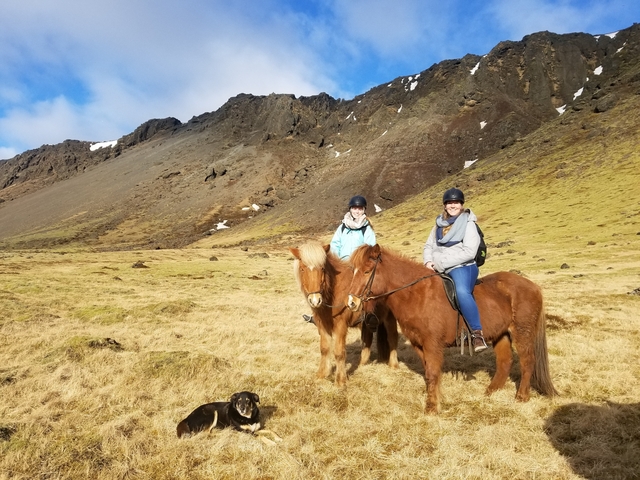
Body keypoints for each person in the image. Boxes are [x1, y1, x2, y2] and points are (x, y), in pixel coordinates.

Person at [422, 188, 488, 352]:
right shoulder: (438, 225)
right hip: (437, 267)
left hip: (463, 267)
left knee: (461, 292)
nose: (453, 205)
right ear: (445, 206)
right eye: (449, 203)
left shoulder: (469, 224)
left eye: (456, 202)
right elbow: (429, 245)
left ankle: (477, 333)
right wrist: (428, 261)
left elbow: (469, 252)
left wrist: (442, 264)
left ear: (462, 204)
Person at [303, 195, 376, 323]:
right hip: (341, 264)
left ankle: (366, 313)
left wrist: (358, 263)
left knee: (362, 288)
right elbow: (335, 244)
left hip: (357, 266)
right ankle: (319, 315)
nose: (357, 211)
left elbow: (370, 248)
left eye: (360, 209)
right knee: (325, 284)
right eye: (354, 208)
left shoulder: (367, 229)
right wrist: (334, 262)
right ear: (350, 209)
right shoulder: (342, 227)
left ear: (364, 210)